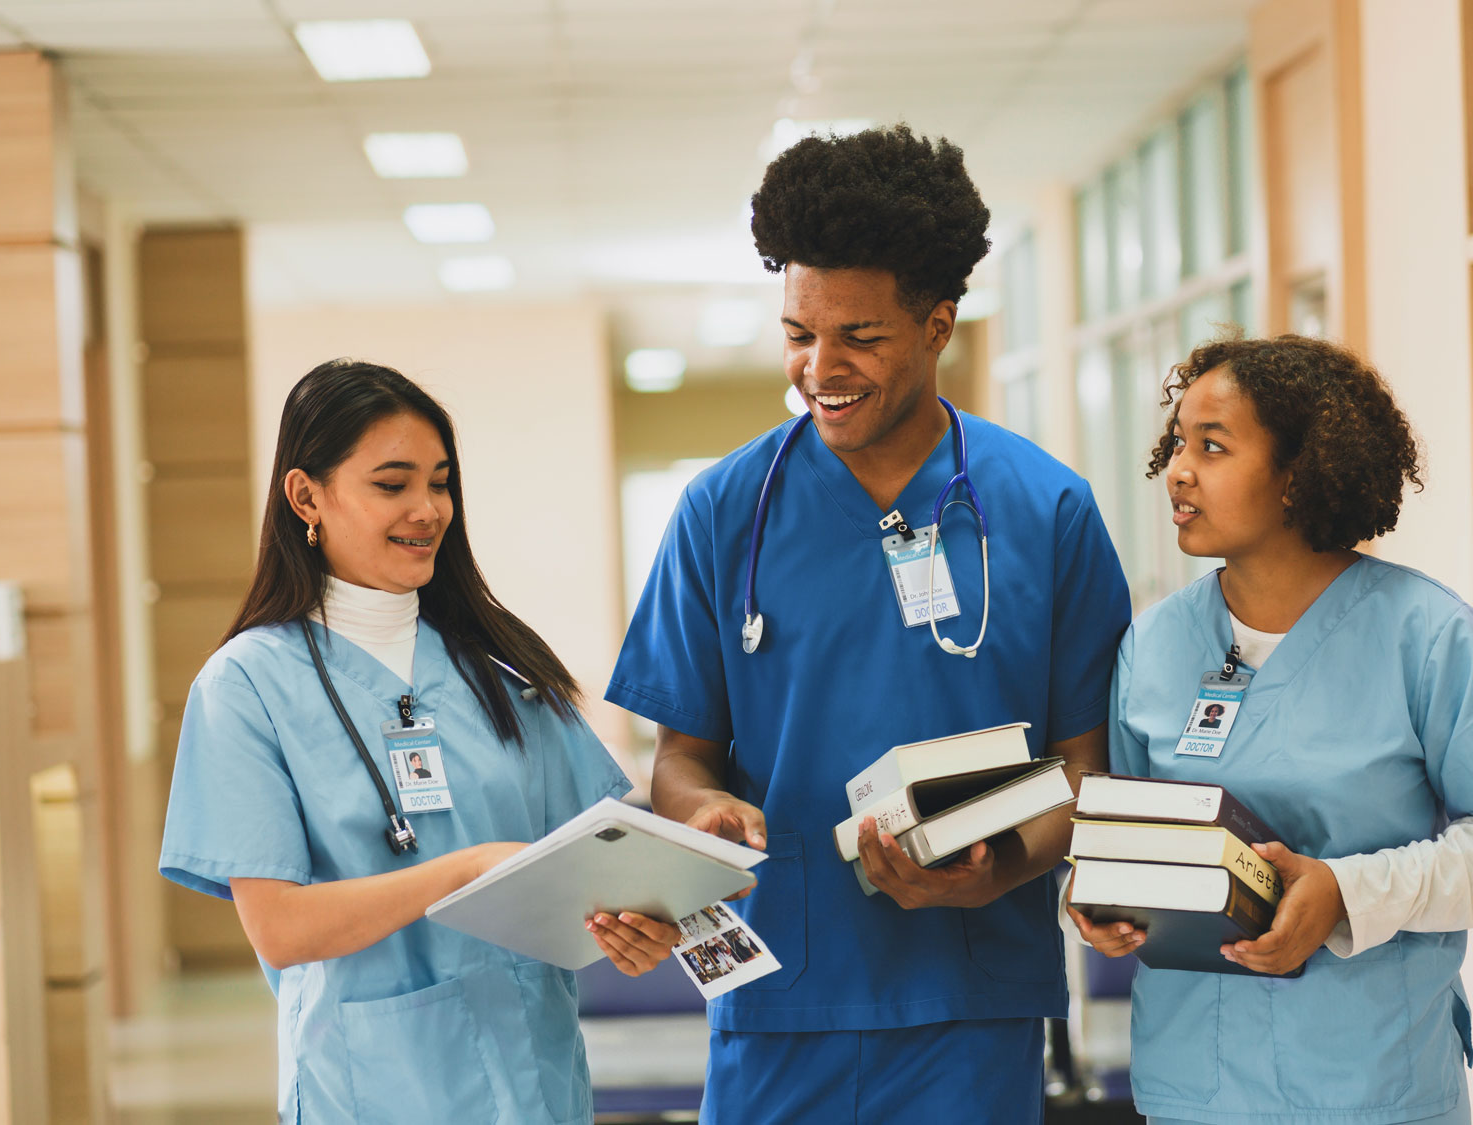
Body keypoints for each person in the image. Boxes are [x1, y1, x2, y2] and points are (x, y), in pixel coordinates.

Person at [606, 125, 1132, 1125]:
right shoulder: (724, 511)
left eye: (859, 336)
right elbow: (681, 756)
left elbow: (1084, 767)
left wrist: (1001, 868)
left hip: (969, 1005)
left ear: (937, 327)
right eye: (799, 333)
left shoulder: (1045, 510)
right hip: (774, 993)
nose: (820, 368)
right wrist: (701, 814)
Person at [159, 360, 681, 1124]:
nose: (428, 509)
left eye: (439, 483)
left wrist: (639, 925)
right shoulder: (247, 686)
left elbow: (592, 863)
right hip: (368, 1088)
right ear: (307, 495)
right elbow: (280, 925)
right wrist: (463, 868)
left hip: (533, 1076)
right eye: (392, 483)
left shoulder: (504, 672)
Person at [1068, 334, 1473, 1125]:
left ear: (1298, 473)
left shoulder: (1424, 635)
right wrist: (1101, 901)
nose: (1179, 470)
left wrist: (1346, 893)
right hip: (1197, 1087)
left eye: (1214, 446)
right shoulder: (1154, 645)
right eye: (1179, 442)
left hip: (1373, 1086)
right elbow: (1122, 836)